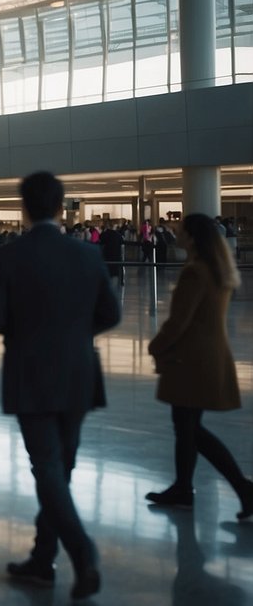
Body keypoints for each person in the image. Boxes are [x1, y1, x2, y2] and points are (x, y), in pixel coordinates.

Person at [0, 171, 120, 600]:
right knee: (62, 468)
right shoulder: (87, 255)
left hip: (31, 374)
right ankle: (43, 559)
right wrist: (76, 336)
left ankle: (82, 552)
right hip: (78, 373)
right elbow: (110, 314)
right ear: (62, 207)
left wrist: (27, 334)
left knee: (48, 468)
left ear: (24, 207)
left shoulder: (10, 256)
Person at [144, 213, 253, 517]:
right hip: (206, 357)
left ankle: (241, 487)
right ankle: (183, 487)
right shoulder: (218, 269)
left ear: (191, 237)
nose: (176, 234)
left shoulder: (196, 272)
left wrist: (155, 346)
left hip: (190, 360)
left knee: (189, 427)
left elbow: (179, 322)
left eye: (181, 231)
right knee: (186, 426)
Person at [97, 220, 125, 286]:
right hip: (116, 257)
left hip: (107, 257)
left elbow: (100, 241)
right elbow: (122, 245)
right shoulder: (118, 235)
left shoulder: (104, 234)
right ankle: (119, 284)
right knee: (116, 273)